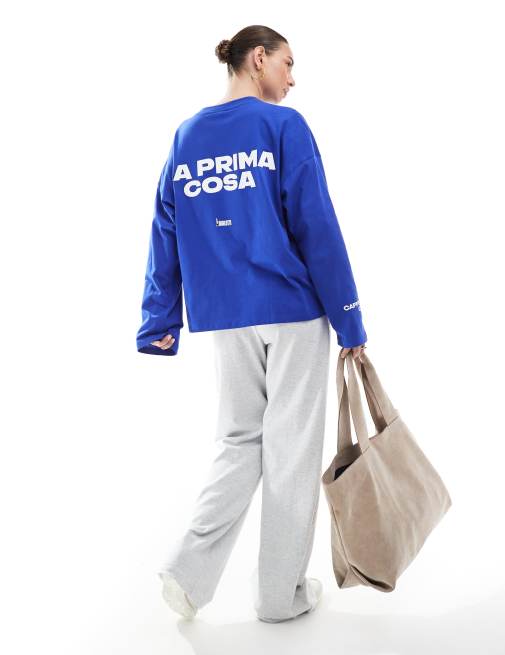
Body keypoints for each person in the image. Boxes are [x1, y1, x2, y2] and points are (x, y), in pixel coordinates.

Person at [136, 24, 367, 623]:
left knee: (239, 443)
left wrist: (159, 318)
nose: (293, 78)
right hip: (292, 310)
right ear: (258, 58)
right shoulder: (283, 127)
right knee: (290, 452)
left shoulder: (188, 136)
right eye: (288, 63)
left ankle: (187, 574)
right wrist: (349, 318)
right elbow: (316, 223)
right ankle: (278, 597)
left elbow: (165, 227)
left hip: (225, 316)